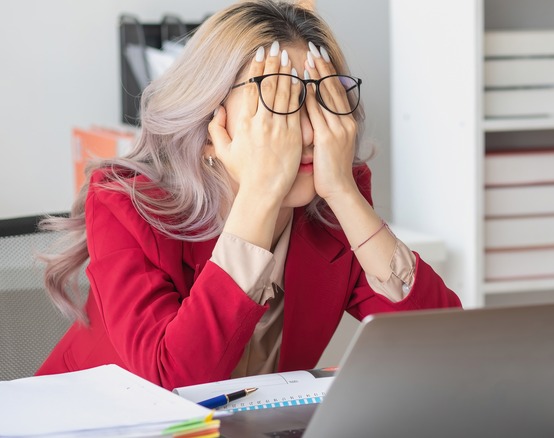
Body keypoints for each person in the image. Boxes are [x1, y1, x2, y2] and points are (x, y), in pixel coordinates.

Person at [36, 0, 461, 390]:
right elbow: (172, 382)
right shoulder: (124, 203)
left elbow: (444, 346)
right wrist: (259, 196)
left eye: (323, 102)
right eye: (280, 102)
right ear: (208, 127)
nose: (312, 133)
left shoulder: (331, 206)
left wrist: (346, 196)